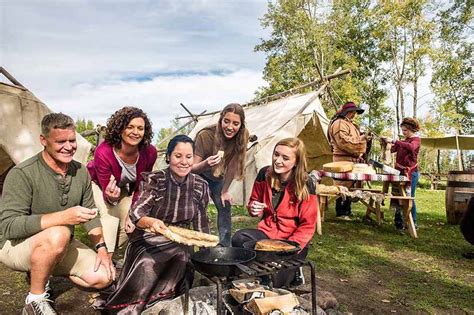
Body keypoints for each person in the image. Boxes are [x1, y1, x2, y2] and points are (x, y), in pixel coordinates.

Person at [0, 113, 114, 315]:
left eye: (72, 140)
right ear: (43, 141)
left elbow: (91, 214)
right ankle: (34, 301)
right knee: (59, 232)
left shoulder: (80, 171)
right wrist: (62, 217)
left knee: (103, 276)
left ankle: (43, 269)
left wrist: (102, 250)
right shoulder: (22, 173)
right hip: (15, 245)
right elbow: (9, 227)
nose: (69, 146)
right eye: (61, 141)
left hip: (60, 243)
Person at [97, 135, 210, 314]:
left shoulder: (200, 185)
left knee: (183, 256)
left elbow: (201, 222)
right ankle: (134, 304)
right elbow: (136, 213)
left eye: (188, 157)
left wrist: (206, 252)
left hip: (179, 238)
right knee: (148, 263)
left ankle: (167, 299)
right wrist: (151, 222)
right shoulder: (156, 180)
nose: (184, 162)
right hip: (149, 237)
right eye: (178, 156)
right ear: (168, 157)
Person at [232, 137, 318, 287]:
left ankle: (293, 272)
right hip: (268, 236)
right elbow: (253, 202)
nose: (278, 160)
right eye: (276, 154)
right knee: (239, 238)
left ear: (296, 162)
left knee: (276, 283)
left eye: (285, 158)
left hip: (292, 242)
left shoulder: (305, 183)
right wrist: (252, 208)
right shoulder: (264, 174)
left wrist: (288, 249)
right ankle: (267, 266)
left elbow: (308, 226)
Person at [87, 106, 157, 257]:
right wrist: (112, 198)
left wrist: (131, 212)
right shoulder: (104, 152)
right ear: (120, 128)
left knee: (135, 219)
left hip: (122, 186)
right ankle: (106, 265)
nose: (135, 132)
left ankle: (106, 251)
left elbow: (142, 185)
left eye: (140, 128)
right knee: (111, 216)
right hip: (98, 184)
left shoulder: (149, 152)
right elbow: (107, 189)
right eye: (130, 127)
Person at [192, 103, 249, 246]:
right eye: (226, 121)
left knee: (225, 205)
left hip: (216, 177)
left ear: (241, 125)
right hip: (198, 174)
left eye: (235, 123)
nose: (230, 127)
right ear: (220, 120)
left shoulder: (241, 137)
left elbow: (232, 167)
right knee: (200, 206)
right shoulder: (205, 135)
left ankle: (225, 246)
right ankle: (203, 245)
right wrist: (206, 163)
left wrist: (224, 191)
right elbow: (191, 168)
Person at [328, 101, 368, 220]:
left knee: (350, 186)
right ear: (347, 112)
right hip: (342, 160)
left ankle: (347, 211)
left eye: (355, 112)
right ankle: (341, 213)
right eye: (353, 112)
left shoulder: (349, 124)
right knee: (342, 185)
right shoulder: (339, 123)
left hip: (351, 160)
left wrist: (363, 139)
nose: (354, 114)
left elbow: (353, 139)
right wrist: (361, 141)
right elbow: (343, 142)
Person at [381, 117, 421, 230]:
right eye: (402, 130)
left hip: (411, 173)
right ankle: (399, 223)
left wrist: (395, 141)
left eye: (405, 130)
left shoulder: (416, 140)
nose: (403, 132)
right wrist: (386, 143)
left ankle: (412, 223)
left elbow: (411, 147)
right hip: (398, 173)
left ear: (412, 129)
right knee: (397, 196)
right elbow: (392, 149)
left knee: (408, 198)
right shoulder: (403, 141)